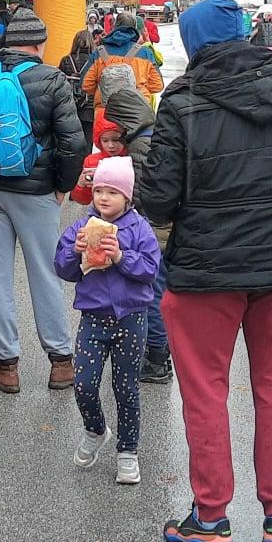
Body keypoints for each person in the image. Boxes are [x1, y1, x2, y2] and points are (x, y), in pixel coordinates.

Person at [138, 0, 272, 542]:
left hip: (205, 271)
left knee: (206, 394)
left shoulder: (183, 100)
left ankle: (211, 519)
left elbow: (158, 201)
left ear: (196, 41)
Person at [0, 5, 85, 394]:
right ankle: (60, 363)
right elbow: (73, 143)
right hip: (37, 191)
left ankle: (7, 367)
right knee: (45, 273)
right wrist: (62, 186)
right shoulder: (53, 80)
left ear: (7, 42)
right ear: (39, 44)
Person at [54, 157, 160, 487]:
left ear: (127, 197)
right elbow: (63, 269)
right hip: (93, 319)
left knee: (126, 388)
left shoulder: (140, 228)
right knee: (84, 384)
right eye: (98, 190)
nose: (103, 198)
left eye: (112, 192)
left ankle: (127, 452)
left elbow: (151, 272)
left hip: (131, 319)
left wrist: (121, 257)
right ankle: (95, 429)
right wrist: (75, 251)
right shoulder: (82, 227)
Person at [97, 69, 167, 384]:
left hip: (152, 231)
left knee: (151, 293)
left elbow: (139, 196)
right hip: (160, 228)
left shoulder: (140, 146)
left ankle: (156, 358)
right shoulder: (151, 134)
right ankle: (154, 353)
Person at [80, 12, 165, 120]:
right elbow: (158, 85)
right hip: (137, 114)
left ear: (114, 26)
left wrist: (104, 89)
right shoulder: (145, 53)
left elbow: (85, 85)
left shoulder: (99, 52)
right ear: (134, 28)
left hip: (105, 114)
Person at [58, 29, 99, 148]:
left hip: (70, 107)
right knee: (87, 142)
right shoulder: (96, 61)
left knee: (70, 142)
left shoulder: (66, 60)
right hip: (90, 109)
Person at [70, 125, 126, 206]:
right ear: (99, 141)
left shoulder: (134, 158)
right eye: (105, 140)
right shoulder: (92, 162)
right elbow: (83, 199)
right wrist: (80, 184)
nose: (111, 145)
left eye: (116, 140)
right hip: (100, 212)